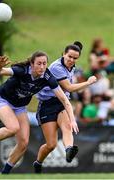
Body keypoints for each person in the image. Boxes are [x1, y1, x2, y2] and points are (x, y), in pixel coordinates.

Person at [0, 51, 78, 174]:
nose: (42, 67)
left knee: (24, 143)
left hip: (20, 106)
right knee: (13, 128)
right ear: (31, 64)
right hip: (2, 100)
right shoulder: (22, 70)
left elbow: (64, 99)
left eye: (44, 64)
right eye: (39, 64)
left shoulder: (47, 77)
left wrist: (72, 119)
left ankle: (3, 174)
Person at [33, 41, 97, 173]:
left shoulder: (71, 66)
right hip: (47, 105)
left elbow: (66, 92)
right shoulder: (57, 67)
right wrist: (88, 82)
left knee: (67, 127)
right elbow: (69, 87)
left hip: (62, 103)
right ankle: (38, 162)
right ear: (63, 54)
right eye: (70, 57)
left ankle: (69, 150)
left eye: (75, 58)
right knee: (51, 145)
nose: (72, 60)